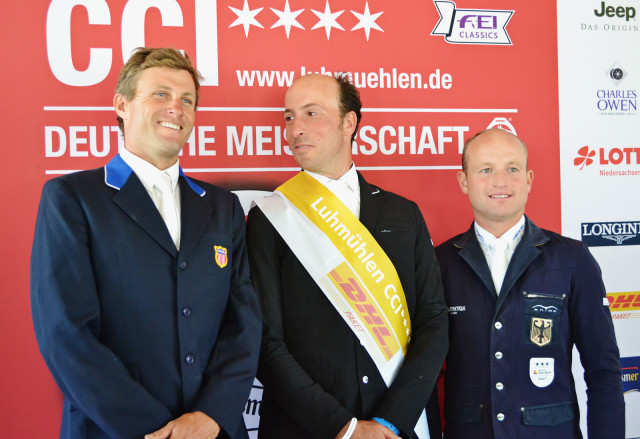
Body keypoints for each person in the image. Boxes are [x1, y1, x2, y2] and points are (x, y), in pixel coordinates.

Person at [30, 47, 261, 439]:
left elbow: (244, 323)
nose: (177, 107)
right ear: (122, 104)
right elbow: (65, 334)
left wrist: (212, 414)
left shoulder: (223, 206)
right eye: (160, 94)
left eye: (187, 100)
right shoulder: (73, 198)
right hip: (116, 430)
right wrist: (157, 430)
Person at [246, 73, 448, 439]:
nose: (295, 129)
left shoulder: (404, 214)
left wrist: (390, 420)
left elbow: (433, 322)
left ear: (349, 122)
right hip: (308, 429)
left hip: (399, 428)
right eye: (289, 117)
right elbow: (265, 341)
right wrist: (344, 427)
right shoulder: (269, 218)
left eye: (311, 113)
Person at [435, 128, 625, 438]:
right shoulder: (438, 264)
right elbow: (425, 376)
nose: (501, 180)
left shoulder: (573, 259)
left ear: (529, 179)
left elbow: (603, 371)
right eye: (486, 169)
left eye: (512, 168)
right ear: (464, 181)